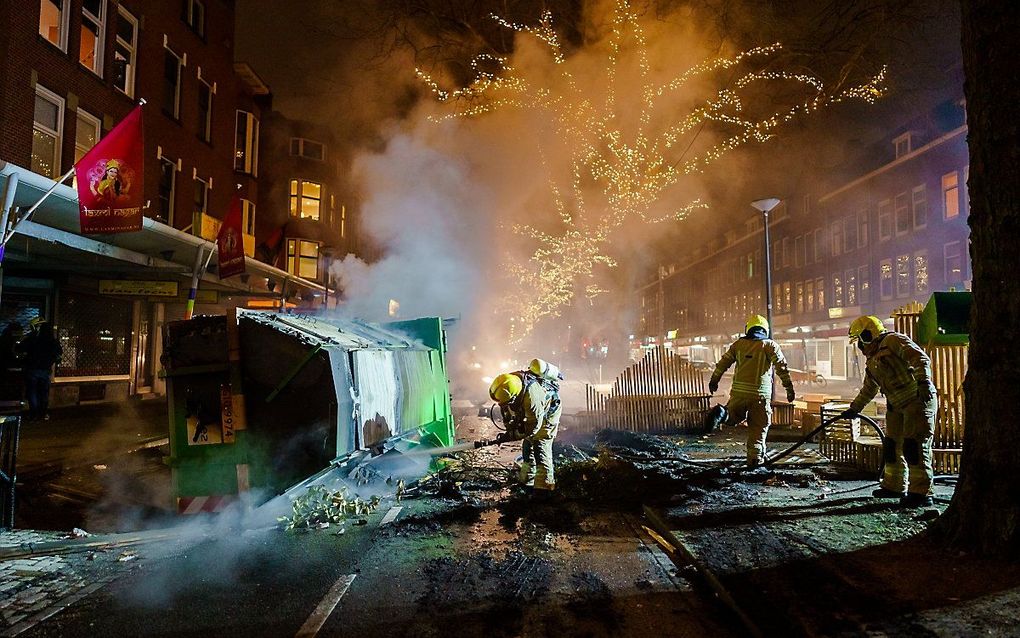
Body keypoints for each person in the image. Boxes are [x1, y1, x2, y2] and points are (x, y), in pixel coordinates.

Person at [841, 315, 937, 508]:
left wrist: (924, 382)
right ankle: (894, 485)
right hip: (896, 405)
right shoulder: (873, 361)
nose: (859, 347)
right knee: (892, 446)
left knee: (914, 447)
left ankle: (921, 492)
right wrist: (854, 409)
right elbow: (869, 389)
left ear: (869, 335)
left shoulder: (893, 341)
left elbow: (920, 359)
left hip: (916, 400)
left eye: (860, 340)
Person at [708, 314, 795, 468]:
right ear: (765, 330)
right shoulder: (770, 346)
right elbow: (782, 368)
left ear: (748, 328)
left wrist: (714, 380)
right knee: (758, 429)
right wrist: (789, 388)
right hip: (759, 396)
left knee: (733, 417)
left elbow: (723, 363)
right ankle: (754, 462)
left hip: (738, 393)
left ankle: (722, 413)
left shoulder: (738, 345)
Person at [488, 358, 563, 492]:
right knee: (528, 447)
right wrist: (509, 430)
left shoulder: (532, 399)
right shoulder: (509, 385)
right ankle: (527, 482)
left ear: (514, 397)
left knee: (540, 445)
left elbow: (533, 427)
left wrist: (514, 435)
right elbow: (507, 412)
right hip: (534, 413)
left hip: (548, 413)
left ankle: (544, 489)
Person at [18, 318, 63, 421]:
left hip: (32, 369)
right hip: (45, 370)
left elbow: (20, 348)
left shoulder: (33, 338)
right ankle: (42, 414)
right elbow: (59, 352)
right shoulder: (52, 340)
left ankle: (33, 414)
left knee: (32, 392)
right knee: (43, 393)